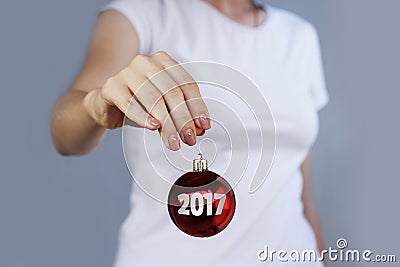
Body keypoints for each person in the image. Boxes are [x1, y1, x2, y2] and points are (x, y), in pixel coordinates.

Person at [51, 0, 328, 266]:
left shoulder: (299, 36)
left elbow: (302, 193)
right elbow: (64, 134)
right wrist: (95, 107)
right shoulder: (140, 15)